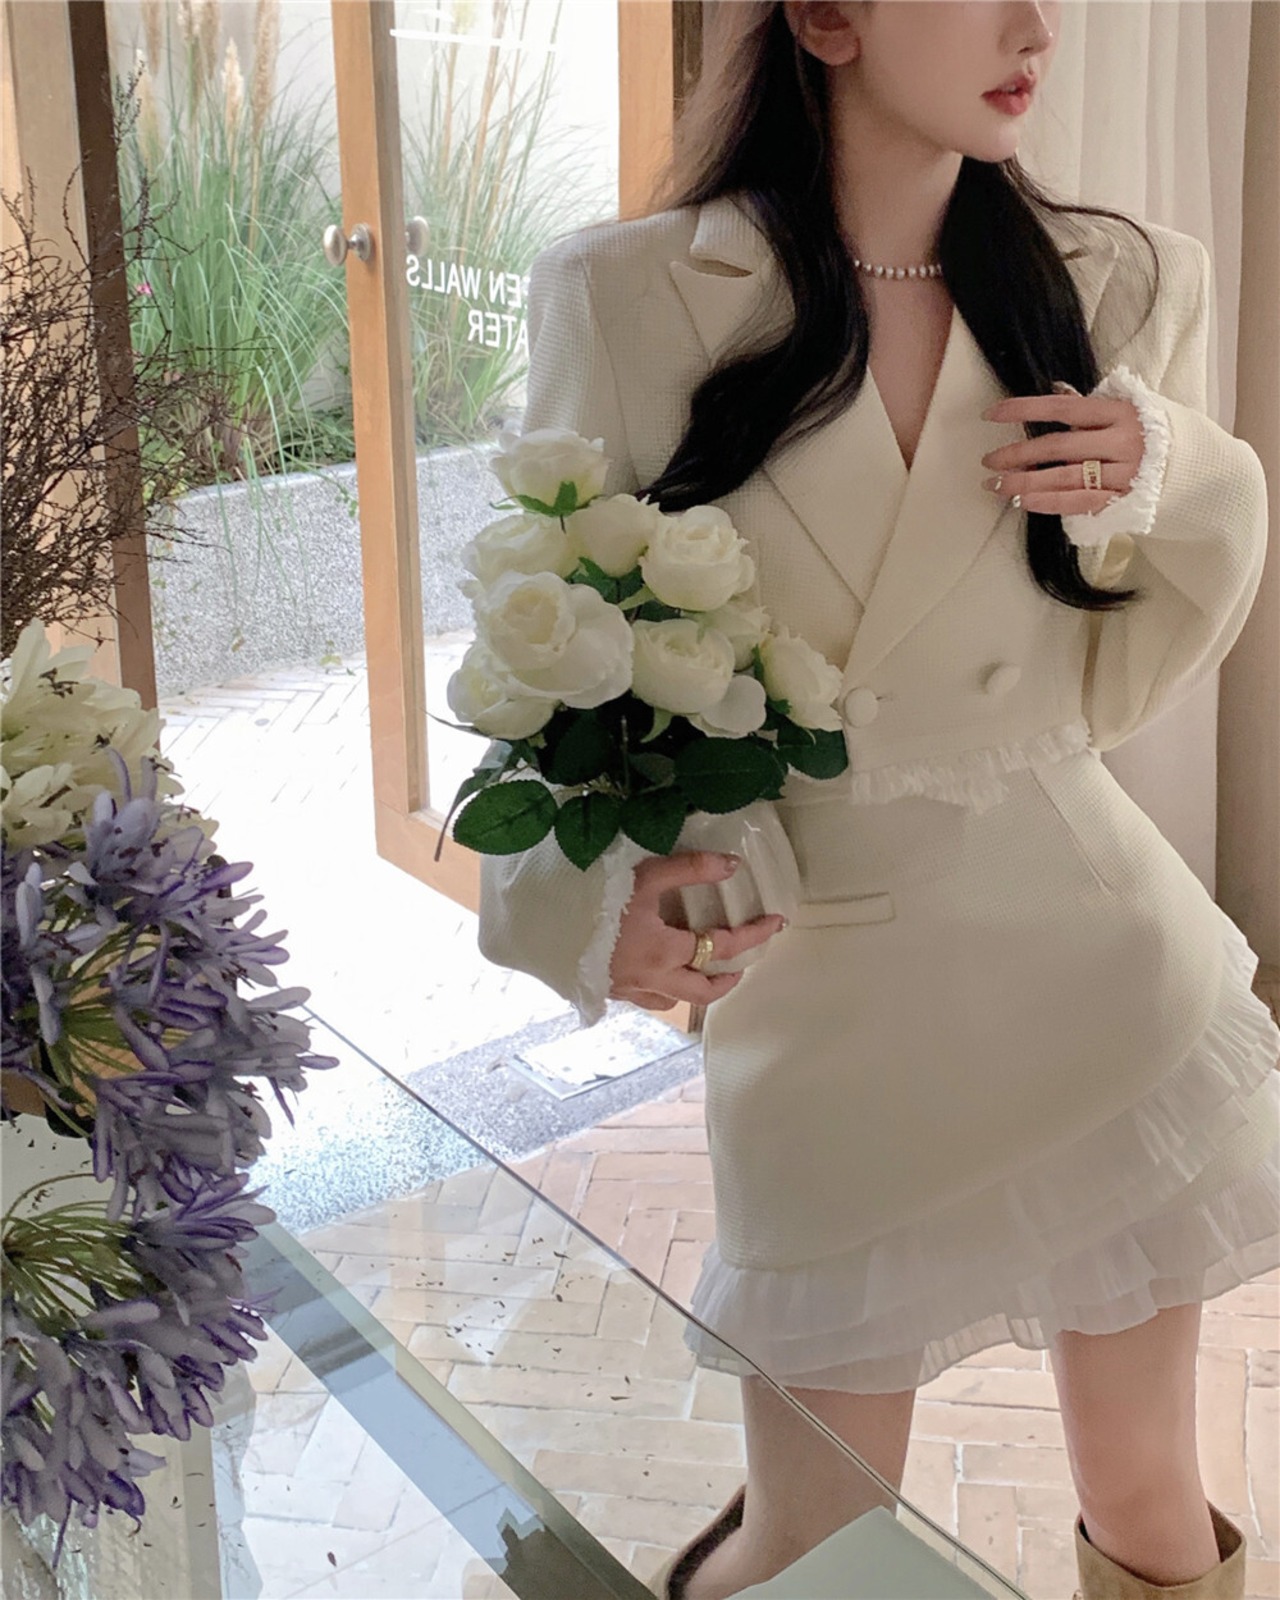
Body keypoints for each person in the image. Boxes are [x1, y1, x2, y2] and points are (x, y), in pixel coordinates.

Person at [475, 3, 1279, 1597]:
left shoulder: (1123, 281)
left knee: (1150, 1502)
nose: (1034, 28)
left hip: (1097, 966)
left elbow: (1144, 647)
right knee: (820, 1539)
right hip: (829, 1001)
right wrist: (587, 896)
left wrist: (1174, 465)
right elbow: (537, 650)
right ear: (829, 15)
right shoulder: (624, 295)